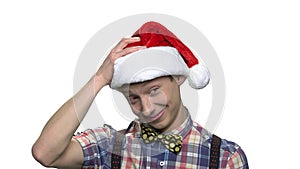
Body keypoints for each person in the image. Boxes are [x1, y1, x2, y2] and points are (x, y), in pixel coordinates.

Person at [32, 21, 249, 169]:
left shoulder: (224, 158)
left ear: (178, 77)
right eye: (133, 98)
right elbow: (45, 153)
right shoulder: (109, 146)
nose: (147, 108)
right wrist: (99, 79)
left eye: (154, 90)